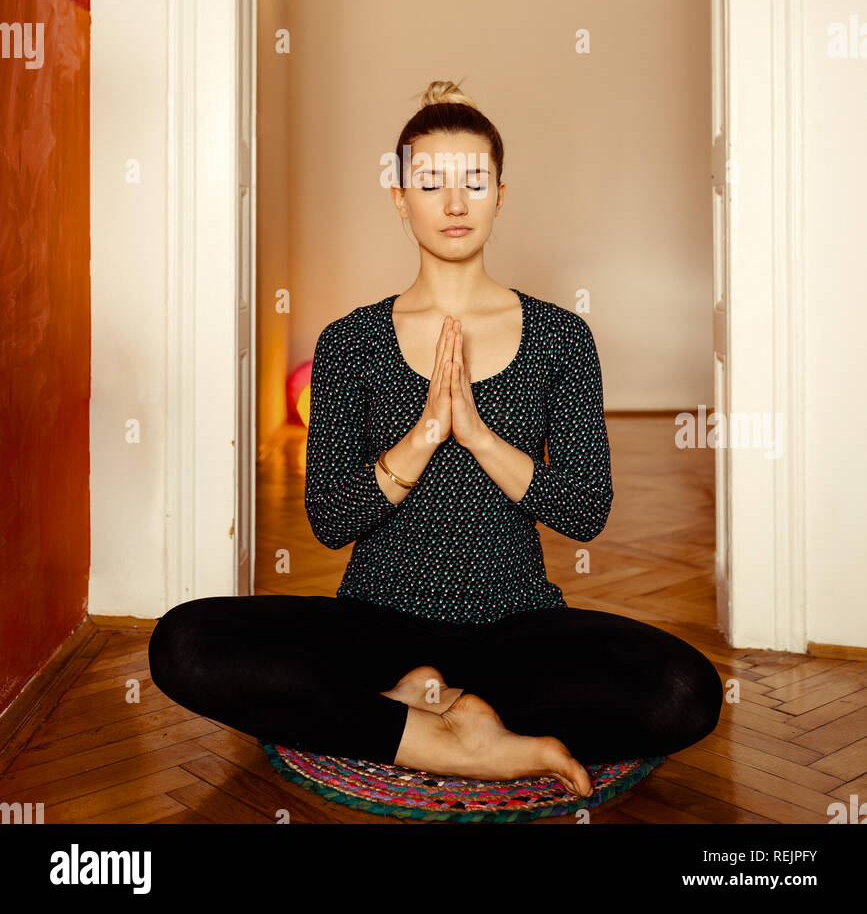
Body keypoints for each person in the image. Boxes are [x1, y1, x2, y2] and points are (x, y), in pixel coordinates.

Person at [149, 80, 723, 800]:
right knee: (185, 643)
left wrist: (479, 437)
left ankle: (404, 715)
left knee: (685, 691)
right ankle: (448, 737)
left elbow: (583, 512)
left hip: (514, 631)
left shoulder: (559, 338)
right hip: (373, 629)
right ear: (399, 197)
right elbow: (329, 520)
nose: (454, 203)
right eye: (430, 182)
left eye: (473, 181)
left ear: (500, 194)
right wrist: (420, 439)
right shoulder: (350, 341)